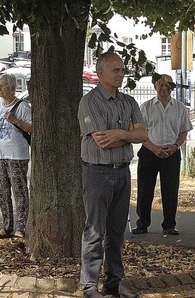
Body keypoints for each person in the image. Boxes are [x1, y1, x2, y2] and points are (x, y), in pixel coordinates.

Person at [77, 52, 147, 298]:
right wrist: (127, 133)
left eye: (122, 69)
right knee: (95, 230)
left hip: (122, 173)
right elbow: (101, 141)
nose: (121, 74)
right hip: (97, 173)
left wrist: (119, 134)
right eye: (116, 70)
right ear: (101, 73)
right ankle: (89, 285)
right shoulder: (89, 102)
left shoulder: (128, 102)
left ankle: (114, 282)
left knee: (116, 232)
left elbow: (143, 135)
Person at [133, 74, 191, 236]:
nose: (164, 90)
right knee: (145, 190)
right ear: (155, 87)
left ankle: (169, 225)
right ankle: (142, 224)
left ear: (171, 89)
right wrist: (154, 148)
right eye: (161, 86)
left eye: (167, 87)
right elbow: (140, 133)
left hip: (171, 153)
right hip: (149, 152)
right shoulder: (146, 107)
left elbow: (183, 131)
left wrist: (175, 146)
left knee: (170, 190)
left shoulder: (179, 107)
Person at [0, 73, 32, 239]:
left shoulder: (22, 107)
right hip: (0, 155)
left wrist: (16, 121)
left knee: (19, 191)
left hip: (16, 155)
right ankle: (6, 225)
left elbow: (32, 128)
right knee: (2, 191)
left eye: (3, 85)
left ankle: (21, 226)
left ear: (12, 88)